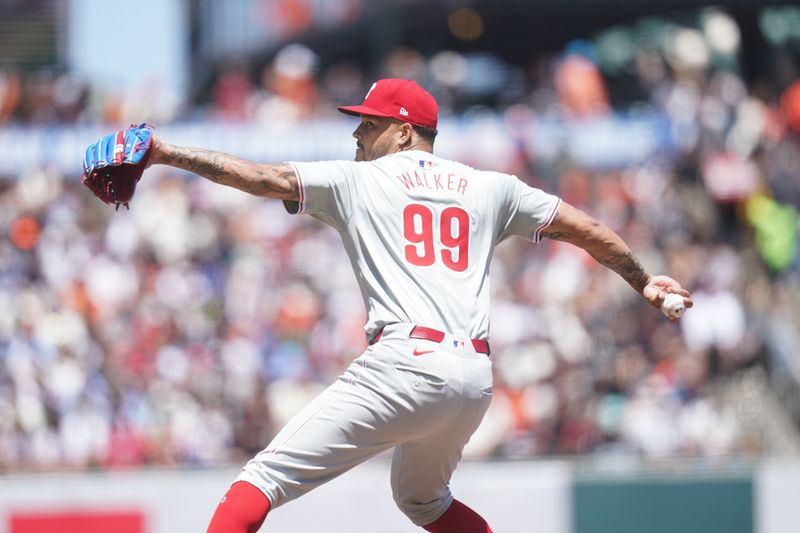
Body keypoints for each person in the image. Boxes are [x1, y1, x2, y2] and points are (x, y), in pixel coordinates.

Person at [128, 78, 692, 532]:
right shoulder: (491, 186)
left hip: (406, 363)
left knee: (261, 480)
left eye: (367, 126)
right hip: (473, 378)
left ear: (402, 133)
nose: (355, 137)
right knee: (423, 502)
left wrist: (164, 152)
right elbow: (586, 227)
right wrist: (643, 282)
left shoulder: (358, 181)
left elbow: (261, 176)